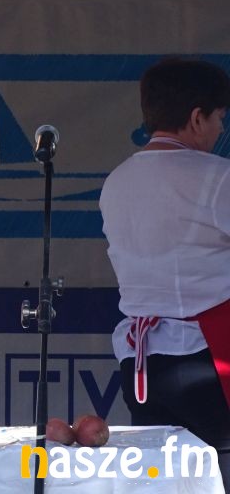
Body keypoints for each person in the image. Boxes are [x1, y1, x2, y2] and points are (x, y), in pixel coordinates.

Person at [99, 57, 230, 458]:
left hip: (143, 364)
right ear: (196, 118)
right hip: (208, 357)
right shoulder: (217, 176)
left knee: (163, 476)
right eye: (219, 118)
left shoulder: (116, 180)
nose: (221, 129)